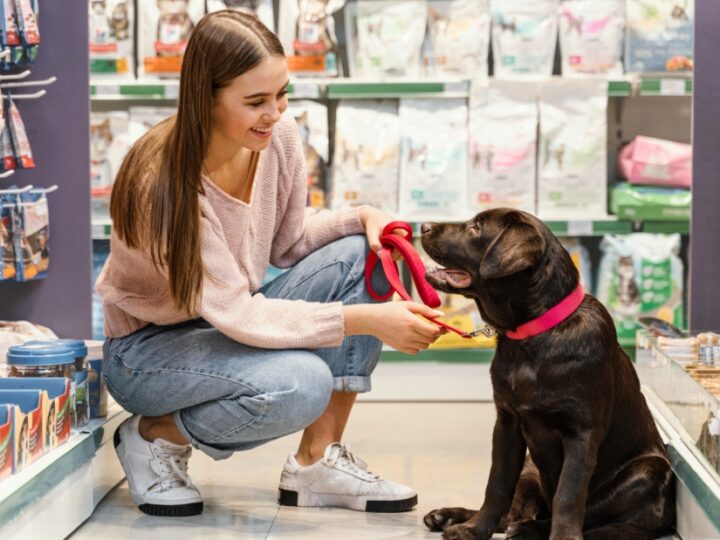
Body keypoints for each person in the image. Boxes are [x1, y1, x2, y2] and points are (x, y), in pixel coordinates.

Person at [96, 10, 445, 518]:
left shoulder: (274, 138)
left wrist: (364, 217)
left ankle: (315, 462)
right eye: (256, 101)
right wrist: (369, 321)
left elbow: (289, 242)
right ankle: (154, 436)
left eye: (281, 93)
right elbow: (238, 313)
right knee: (301, 383)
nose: (275, 112)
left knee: (363, 254)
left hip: (224, 323)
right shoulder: (163, 186)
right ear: (205, 98)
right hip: (147, 354)